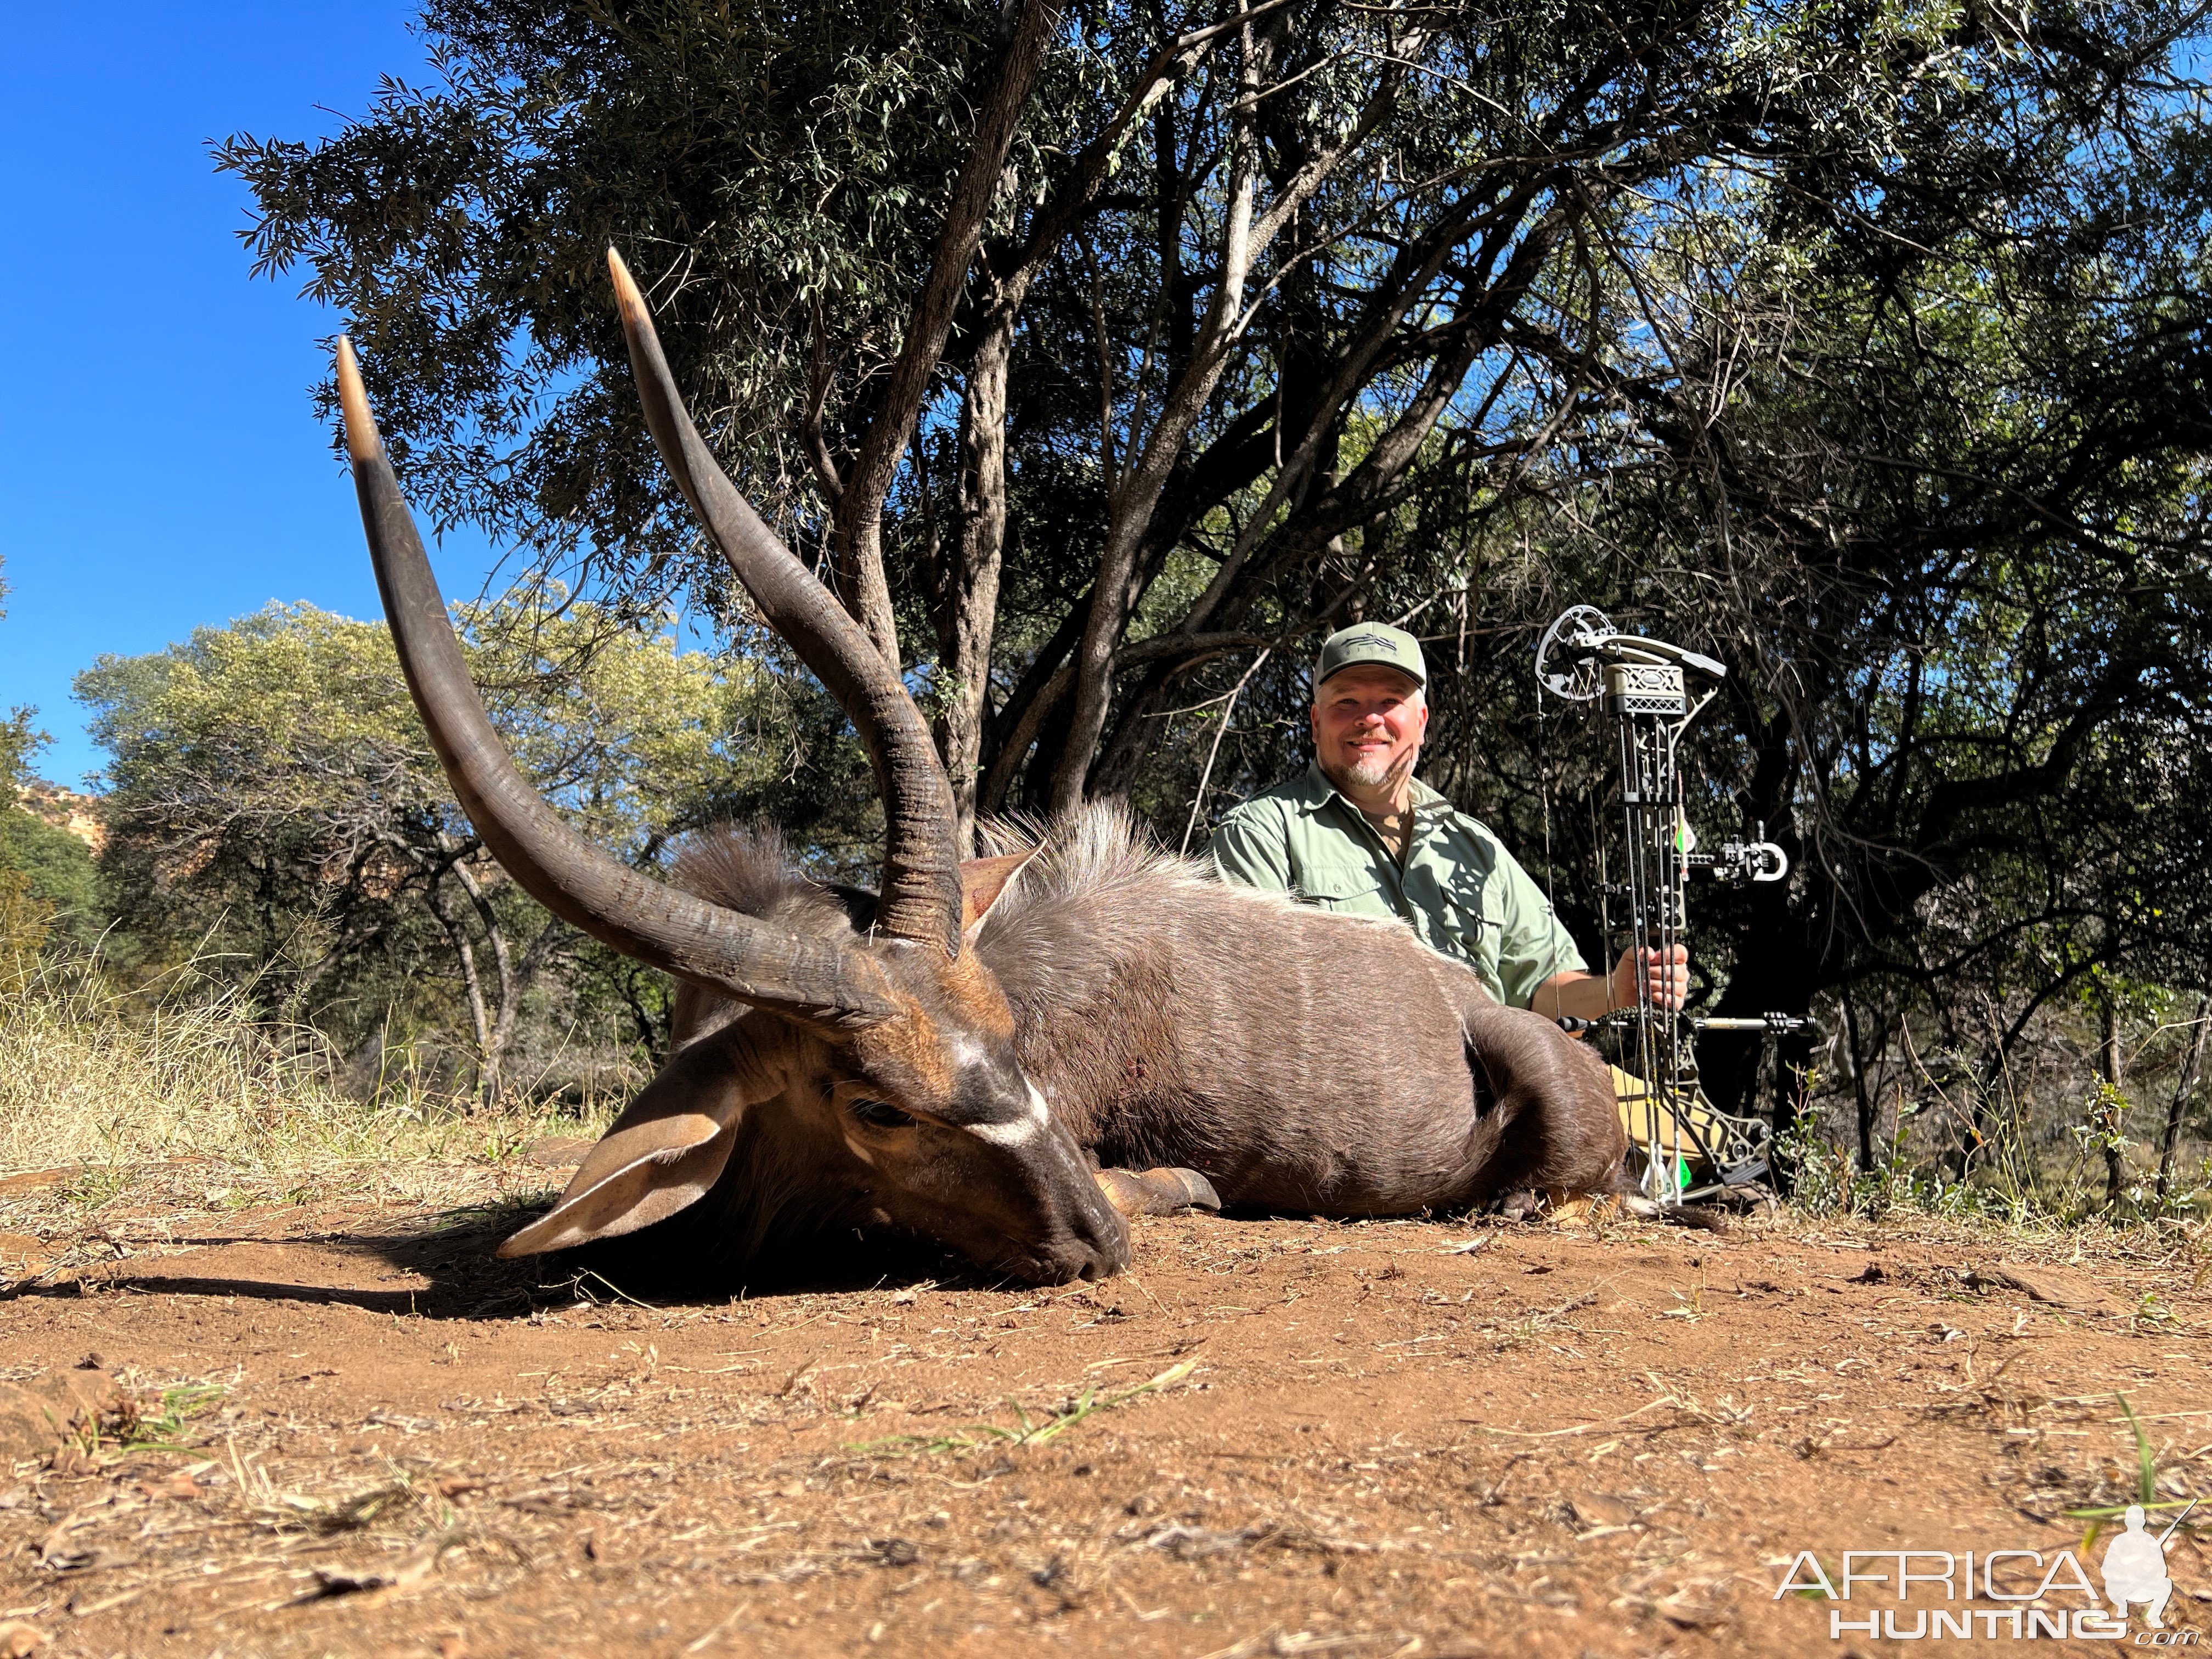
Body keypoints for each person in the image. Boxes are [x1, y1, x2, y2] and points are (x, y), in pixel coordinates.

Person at [1207, 622, 1688, 1020]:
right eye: (1346, 702)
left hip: (1492, 1114)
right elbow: (1253, 1008)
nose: (1369, 719)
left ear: (1421, 721)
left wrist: (1619, 991)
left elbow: (1543, 988)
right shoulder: (1261, 834)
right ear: (1316, 723)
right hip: (1348, 1117)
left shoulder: (1474, 847)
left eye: (1390, 701)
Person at [2100, 1505, 2172, 1628]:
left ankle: (2154, 1615)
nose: (2135, 1524)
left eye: (2138, 1521)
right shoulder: (2119, 1540)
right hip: (2122, 1587)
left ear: (2143, 1522)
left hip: (2144, 1587)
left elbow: (2162, 1569)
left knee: (2166, 1584)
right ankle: (2122, 1606)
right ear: (2127, 1521)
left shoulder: (2150, 1540)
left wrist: (2150, 1570)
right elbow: (2108, 1568)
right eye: (2132, 1521)